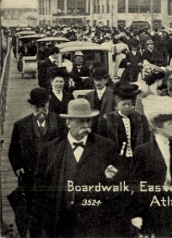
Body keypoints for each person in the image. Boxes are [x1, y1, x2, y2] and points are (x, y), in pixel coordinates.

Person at [32, 99, 121, 237]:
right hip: (61, 221)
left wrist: (112, 178)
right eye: (80, 121)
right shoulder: (50, 149)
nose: (86, 125)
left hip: (94, 223)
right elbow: (39, 189)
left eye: (89, 121)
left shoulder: (106, 146)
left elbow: (119, 186)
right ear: (68, 123)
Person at [129, 95, 172, 237]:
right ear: (158, 125)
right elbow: (137, 184)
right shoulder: (143, 151)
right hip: (154, 209)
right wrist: (137, 213)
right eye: (170, 122)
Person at [9, 88, 66, 237]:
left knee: (53, 208)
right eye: (37, 107)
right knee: (32, 210)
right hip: (30, 175)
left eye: (44, 106)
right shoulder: (21, 125)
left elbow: (66, 145)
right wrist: (18, 167)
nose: (41, 110)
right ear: (32, 106)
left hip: (53, 175)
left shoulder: (60, 122)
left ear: (48, 104)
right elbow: (13, 150)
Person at [97, 82, 151, 173]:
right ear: (117, 106)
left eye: (129, 104)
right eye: (124, 104)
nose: (127, 107)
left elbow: (146, 139)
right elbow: (102, 143)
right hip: (116, 160)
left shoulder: (139, 118)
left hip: (135, 159)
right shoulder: (107, 120)